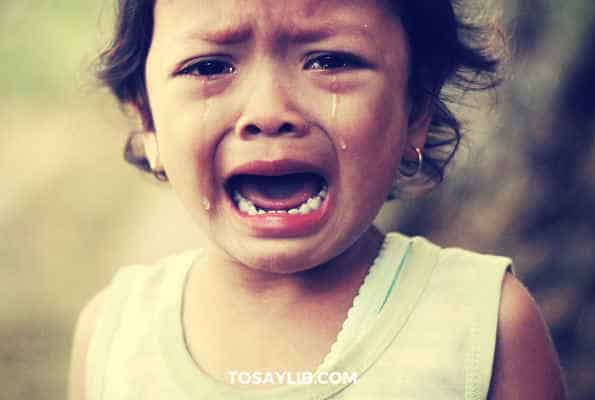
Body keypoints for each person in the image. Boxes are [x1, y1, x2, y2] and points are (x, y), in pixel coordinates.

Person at [69, 1, 567, 399]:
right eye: (209, 66)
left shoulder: (486, 327)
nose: (269, 112)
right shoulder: (113, 338)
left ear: (416, 107)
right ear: (147, 120)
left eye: (330, 60)